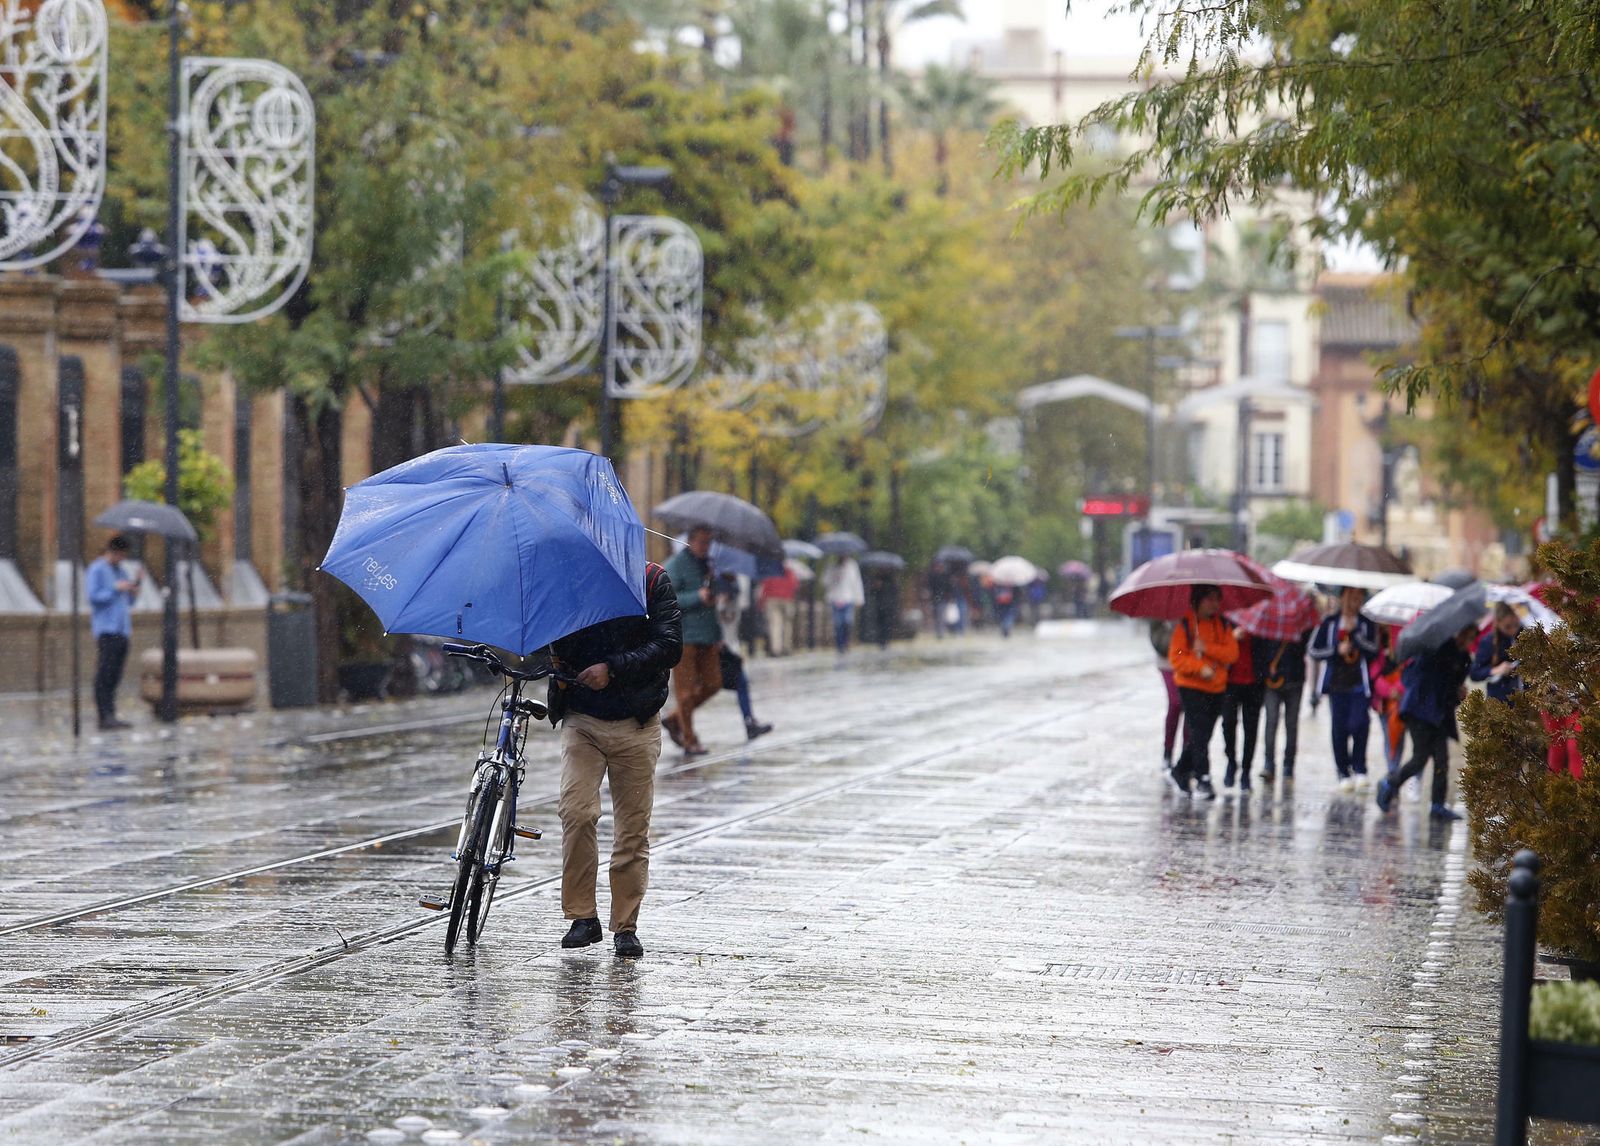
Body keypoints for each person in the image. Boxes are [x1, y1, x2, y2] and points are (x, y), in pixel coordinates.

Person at [547, 558, 682, 958]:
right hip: (582, 719)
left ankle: (625, 926)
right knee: (576, 810)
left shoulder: (652, 580)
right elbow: (552, 640)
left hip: (636, 722)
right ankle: (582, 916)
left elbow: (669, 645)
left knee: (632, 831)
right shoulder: (570, 578)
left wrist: (614, 668)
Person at [1376, 623, 1477, 821]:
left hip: (1439, 714)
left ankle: (1437, 804)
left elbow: (1452, 689)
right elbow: (1418, 676)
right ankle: (1390, 783)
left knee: (1442, 759)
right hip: (1419, 710)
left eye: (1470, 637)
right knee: (1420, 757)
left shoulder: (1463, 658)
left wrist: (1459, 694)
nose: (1466, 640)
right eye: (1464, 634)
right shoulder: (1437, 647)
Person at [1167, 584, 1239, 801]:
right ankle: (1203, 777)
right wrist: (1198, 667)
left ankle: (1180, 770)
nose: (1214, 604)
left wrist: (1207, 649)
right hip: (1191, 687)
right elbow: (1177, 654)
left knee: (1204, 734)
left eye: (1217, 599)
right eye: (1209, 599)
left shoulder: (1223, 625)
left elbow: (1231, 653)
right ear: (1198, 600)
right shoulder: (1186, 626)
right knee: (1198, 731)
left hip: (1217, 688)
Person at [1309, 587, 1381, 790]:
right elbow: (1314, 650)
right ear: (1342, 598)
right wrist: (1335, 651)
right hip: (1336, 685)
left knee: (1360, 724)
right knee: (1339, 728)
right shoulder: (1329, 623)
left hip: (1360, 684)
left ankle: (1360, 768)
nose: (1353, 602)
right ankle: (1342, 771)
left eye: (1358, 598)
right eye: (1350, 597)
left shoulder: (1366, 624)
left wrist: (1356, 635)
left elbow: (1373, 650)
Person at [662, 527, 720, 757]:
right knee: (685, 693)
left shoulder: (710, 566)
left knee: (713, 683)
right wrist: (697, 597)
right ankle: (689, 739)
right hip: (684, 636)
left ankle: (674, 718)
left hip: (708, 635)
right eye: (702, 542)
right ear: (691, 542)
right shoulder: (675, 565)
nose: (705, 547)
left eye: (709, 542)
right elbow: (668, 599)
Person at [86, 535, 140, 731]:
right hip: (106, 629)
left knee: (116, 674)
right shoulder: (97, 569)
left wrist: (134, 588)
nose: (122, 559)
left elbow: (129, 602)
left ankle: (112, 713)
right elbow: (94, 597)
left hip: (122, 628)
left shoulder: (122, 571)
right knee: (105, 673)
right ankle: (104, 715)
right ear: (112, 551)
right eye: (120, 555)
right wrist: (115, 588)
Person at [714, 573, 773, 741]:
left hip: (729, 649)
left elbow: (731, 626)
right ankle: (676, 718)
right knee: (704, 690)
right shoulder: (715, 603)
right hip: (716, 649)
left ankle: (749, 721)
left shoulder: (734, 600)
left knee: (741, 683)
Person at [1255, 626, 1311, 784]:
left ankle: (1288, 765)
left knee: (1291, 724)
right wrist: (1266, 669)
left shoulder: (1301, 625)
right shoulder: (1268, 620)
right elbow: (1260, 647)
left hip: (1295, 679)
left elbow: (1306, 646)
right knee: (1271, 721)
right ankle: (1269, 763)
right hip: (1272, 681)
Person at [1220, 631, 1263, 791]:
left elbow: (1266, 647)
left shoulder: (1260, 620)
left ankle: (1246, 770)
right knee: (1228, 724)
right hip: (1230, 682)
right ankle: (1231, 761)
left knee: (1251, 729)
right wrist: (1232, 638)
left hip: (1254, 682)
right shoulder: (1227, 620)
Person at [1471, 602, 1524, 703]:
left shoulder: (1525, 633)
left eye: (1516, 625)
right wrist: (1496, 670)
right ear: (1498, 622)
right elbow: (1475, 673)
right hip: (1500, 700)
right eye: (1507, 627)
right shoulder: (1488, 641)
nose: (1513, 630)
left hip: (1525, 698)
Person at [1150, 619, 1184, 771]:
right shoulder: (1160, 610)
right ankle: (1168, 751)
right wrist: (1181, 644)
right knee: (1175, 703)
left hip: (1190, 664)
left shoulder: (1195, 607)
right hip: (1168, 664)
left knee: (1190, 709)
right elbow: (1160, 644)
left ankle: (1186, 755)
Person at [823, 552, 865, 654]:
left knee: (847, 622)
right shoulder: (831, 566)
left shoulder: (852, 566)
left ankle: (846, 642)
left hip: (848, 598)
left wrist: (859, 598)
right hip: (835, 598)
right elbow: (825, 581)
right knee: (838, 624)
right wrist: (834, 576)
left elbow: (857, 582)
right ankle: (839, 645)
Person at [758, 562, 799, 657]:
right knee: (787, 625)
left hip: (772, 599)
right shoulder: (789, 571)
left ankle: (776, 649)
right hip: (787, 599)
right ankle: (786, 648)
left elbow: (764, 587)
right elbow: (794, 585)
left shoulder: (770, 572)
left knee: (775, 625)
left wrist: (762, 601)